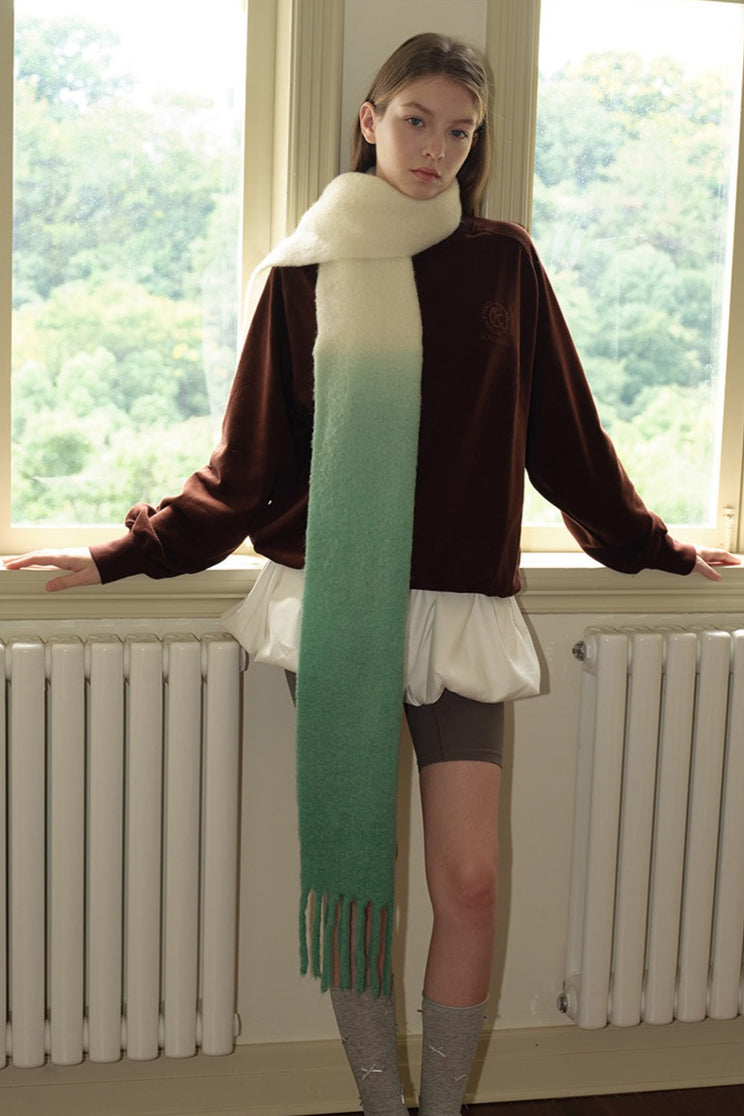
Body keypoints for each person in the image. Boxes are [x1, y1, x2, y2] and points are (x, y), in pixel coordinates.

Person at [4, 32, 738, 1116]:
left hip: (460, 612)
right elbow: (247, 466)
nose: (436, 149)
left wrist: (658, 546)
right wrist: (124, 553)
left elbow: (568, 443)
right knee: (361, 879)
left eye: (460, 132)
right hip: (337, 604)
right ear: (369, 117)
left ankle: (440, 1107)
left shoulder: (504, 263)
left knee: (470, 881)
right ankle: (382, 1105)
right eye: (415, 121)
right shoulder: (305, 272)